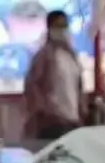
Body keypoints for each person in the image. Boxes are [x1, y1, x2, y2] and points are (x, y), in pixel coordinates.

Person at [23, 10, 84, 139]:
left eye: (64, 26)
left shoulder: (72, 56)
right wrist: (45, 110)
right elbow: (32, 85)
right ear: (49, 28)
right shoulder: (44, 56)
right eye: (58, 26)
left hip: (73, 121)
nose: (62, 30)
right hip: (54, 123)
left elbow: (78, 87)